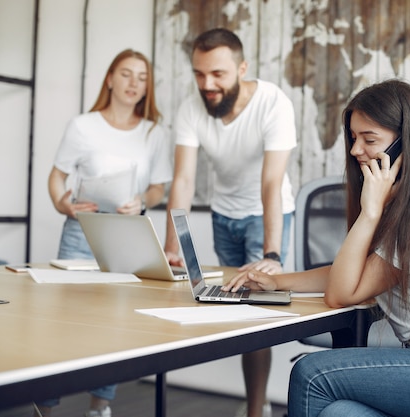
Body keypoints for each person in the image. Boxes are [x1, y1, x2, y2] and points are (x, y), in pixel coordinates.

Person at [223, 79, 410, 417]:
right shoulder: (406, 207)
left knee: (312, 374)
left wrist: (370, 212)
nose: (354, 150)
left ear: (405, 145)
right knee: (337, 412)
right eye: (353, 137)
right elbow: (357, 276)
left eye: (369, 139)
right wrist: (278, 281)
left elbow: (341, 293)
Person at [164, 28, 296, 417]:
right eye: (199, 74)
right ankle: (255, 401)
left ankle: (257, 409)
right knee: (233, 310)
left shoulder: (274, 103)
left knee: (254, 313)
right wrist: (171, 248)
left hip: (265, 215)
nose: (208, 84)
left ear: (242, 68)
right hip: (224, 216)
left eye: (218, 74)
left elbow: (271, 182)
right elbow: (184, 180)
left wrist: (271, 251)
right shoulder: (191, 108)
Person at [42, 49, 173, 417]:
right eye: (127, 74)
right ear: (110, 78)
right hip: (80, 230)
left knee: (113, 324)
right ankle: (46, 407)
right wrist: (63, 203)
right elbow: (57, 177)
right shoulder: (83, 125)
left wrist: (141, 202)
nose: (134, 83)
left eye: (142, 77)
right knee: (61, 323)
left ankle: (100, 407)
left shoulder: (154, 132)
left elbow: (158, 188)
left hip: (125, 234)